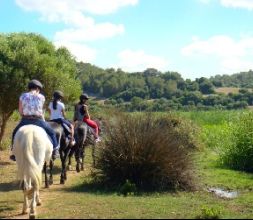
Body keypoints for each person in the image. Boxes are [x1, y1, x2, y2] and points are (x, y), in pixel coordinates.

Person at [10, 79, 59, 161]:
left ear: (30, 88)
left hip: (25, 120)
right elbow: (40, 109)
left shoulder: (22, 96)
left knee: (15, 132)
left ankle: (14, 152)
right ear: (37, 88)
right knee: (52, 132)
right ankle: (55, 150)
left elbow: (20, 111)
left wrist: (24, 115)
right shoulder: (42, 97)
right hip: (38, 120)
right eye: (39, 89)